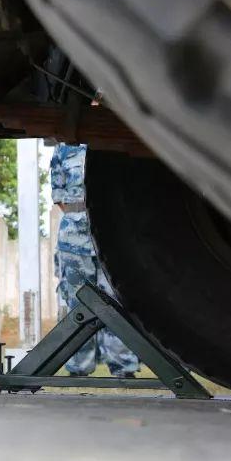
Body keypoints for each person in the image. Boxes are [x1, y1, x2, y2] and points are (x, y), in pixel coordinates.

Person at [50, 143, 139, 378]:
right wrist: (81, 213)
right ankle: (80, 367)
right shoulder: (63, 149)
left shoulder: (109, 145)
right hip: (73, 237)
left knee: (117, 301)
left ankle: (123, 366)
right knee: (77, 301)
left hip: (111, 234)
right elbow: (58, 195)